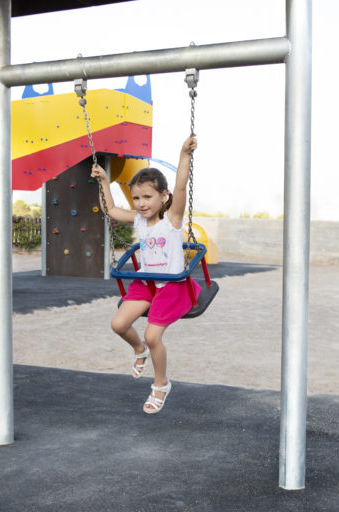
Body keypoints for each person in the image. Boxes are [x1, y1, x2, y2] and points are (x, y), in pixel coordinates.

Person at [91, 135, 201, 414]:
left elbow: (180, 185)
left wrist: (184, 154)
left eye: (147, 197)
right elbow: (110, 209)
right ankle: (138, 349)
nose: (141, 203)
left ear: (163, 197)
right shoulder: (140, 219)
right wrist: (103, 180)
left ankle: (161, 384)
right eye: (137, 197)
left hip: (172, 286)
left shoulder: (172, 220)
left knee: (155, 336)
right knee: (118, 325)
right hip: (146, 282)